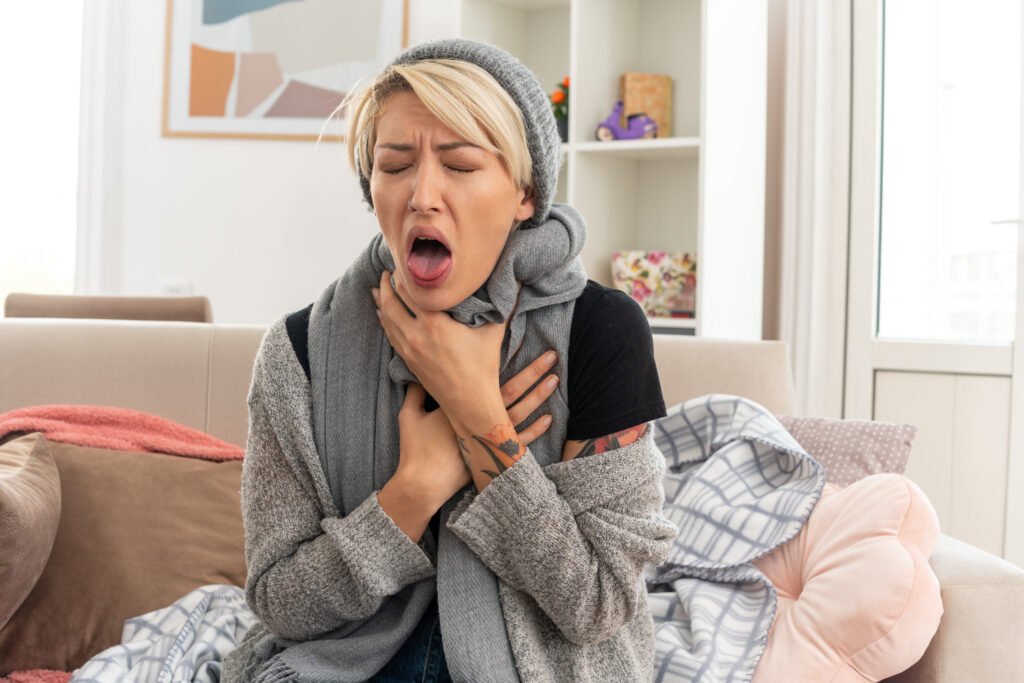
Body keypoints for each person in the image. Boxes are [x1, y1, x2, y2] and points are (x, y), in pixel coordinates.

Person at [221, 38, 679, 683]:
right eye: (395, 163)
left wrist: (476, 415)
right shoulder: (297, 354)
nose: (423, 195)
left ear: (525, 194)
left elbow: (598, 603)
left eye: (461, 166)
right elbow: (281, 604)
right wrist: (415, 490)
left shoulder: (601, 332)